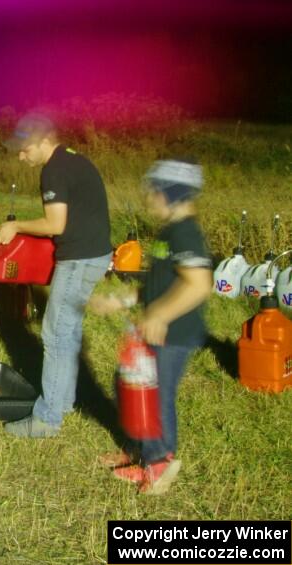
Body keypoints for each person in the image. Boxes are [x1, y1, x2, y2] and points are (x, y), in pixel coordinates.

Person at [90, 159, 212, 495]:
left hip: (174, 333)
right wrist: (123, 301)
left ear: (171, 193)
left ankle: (158, 463)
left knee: (157, 397)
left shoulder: (186, 231)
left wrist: (158, 314)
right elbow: (158, 283)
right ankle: (137, 451)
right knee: (129, 385)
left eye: (154, 192)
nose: (149, 198)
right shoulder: (168, 232)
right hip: (155, 328)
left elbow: (199, 283)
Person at [0, 113, 112, 438]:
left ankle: (47, 419)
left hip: (79, 260)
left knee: (54, 336)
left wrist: (16, 225)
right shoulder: (74, 160)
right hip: (95, 255)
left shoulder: (54, 170)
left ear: (43, 140)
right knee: (69, 332)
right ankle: (64, 402)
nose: (21, 156)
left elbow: (55, 225)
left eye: (24, 149)